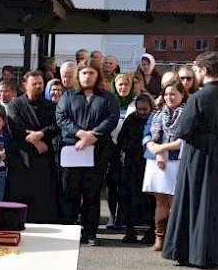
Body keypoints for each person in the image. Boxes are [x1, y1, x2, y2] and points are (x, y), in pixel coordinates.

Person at [163, 52, 218, 268]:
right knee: (215, 201)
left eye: (196, 70)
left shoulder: (199, 97)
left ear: (204, 70)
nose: (195, 74)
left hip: (198, 151)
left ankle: (192, 252)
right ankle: (213, 252)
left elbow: (183, 129)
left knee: (195, 198)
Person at [56, 60, 119, 246]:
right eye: (84, 73)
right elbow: (61, 117)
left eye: (91, 73)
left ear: (97, 75)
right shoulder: (67, 96)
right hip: (72, 150)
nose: (87, 76)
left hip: (97, 152)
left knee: (92, 194)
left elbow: (112, 118)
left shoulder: (107, 97)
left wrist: (93, 135)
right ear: (78, 75)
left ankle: (90, 232)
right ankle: (70, 230)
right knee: (70, 192)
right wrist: (80, 133)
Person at [6, 71, 60, 223]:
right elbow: (15, 126)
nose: (38, 86)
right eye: (34, 84)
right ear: (24, 85)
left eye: (40, 84)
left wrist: (41, 133)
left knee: (43, 192)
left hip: (44, 156)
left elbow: (56, 125)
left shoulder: (51, 106)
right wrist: (35, 140)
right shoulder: (14, 105)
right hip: (22, 156)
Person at [142, 80, 187, 251]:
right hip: (156, 161)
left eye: (173, 94)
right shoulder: (156, 114)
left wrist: (163, 148)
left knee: (175, 201)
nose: (169, 97)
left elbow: (183, 140)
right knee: (160, 202)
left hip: (176, 160)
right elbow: (147, 136)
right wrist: (158, 152)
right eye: (166, 94)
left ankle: (173, 239)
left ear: (182, 95)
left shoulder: (186, 114)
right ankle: (159, 238)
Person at [117, 95, 155, 244]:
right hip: (132, 164)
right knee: (129, 198)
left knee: (150, 199)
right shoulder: (131, 119)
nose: (142, 112)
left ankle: (151, 231)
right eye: (139, 109)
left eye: (145, 109)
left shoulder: (154, 119)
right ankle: (130, 230)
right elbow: (122, 140)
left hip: (148, 163)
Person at [106, 73, 137, 231]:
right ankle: (112, 215)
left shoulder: (135, 104)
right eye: (120, 85)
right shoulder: (108, 102)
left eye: (126, 85)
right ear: (115, 86)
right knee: (112, 184)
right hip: (111, 148)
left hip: (129, 150)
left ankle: (122, 217)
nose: (123, 87)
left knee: (126, 185)